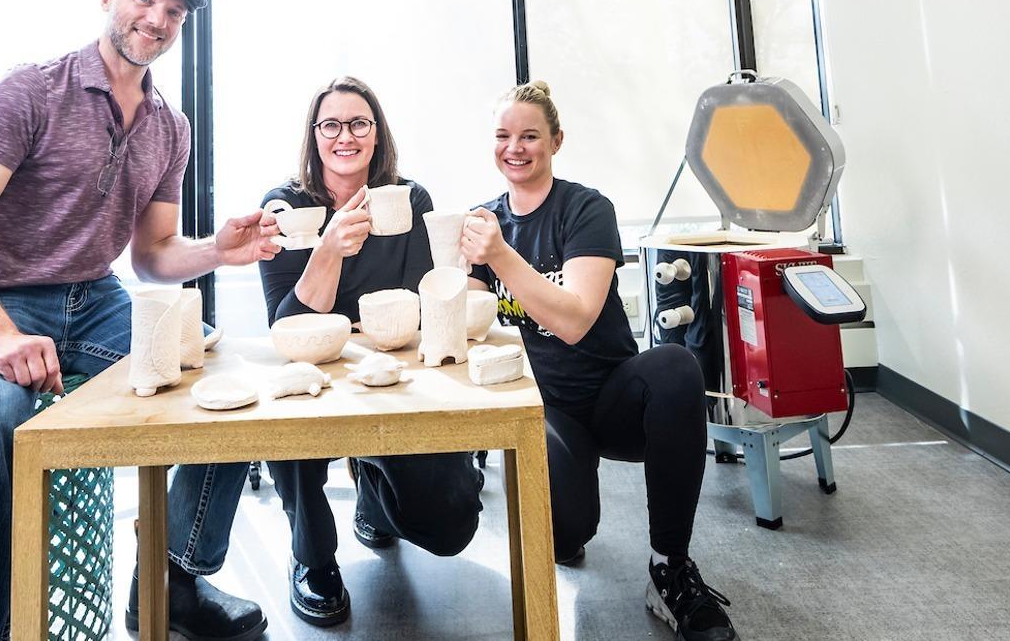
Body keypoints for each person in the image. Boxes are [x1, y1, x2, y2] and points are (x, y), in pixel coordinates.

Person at [0, 0, 276, 640]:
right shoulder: (28, 94)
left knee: (233, 387)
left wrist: (218, 252)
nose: (158, 21)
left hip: (96, 297)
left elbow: (153, 254)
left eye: (174, 14)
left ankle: (175, 582)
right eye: (146, 1)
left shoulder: (170, 126)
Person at [166, 76, 483, 628]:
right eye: (331, 124)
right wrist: (330, 248)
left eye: (359, 123)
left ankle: (374, 489)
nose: (346, 136)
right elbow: (288, 326)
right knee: (289, 409)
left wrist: (351, 319)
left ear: (377, 134)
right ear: (314, 136)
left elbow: (414, 303)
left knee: (452, 525)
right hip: (311, 372)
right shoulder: (287, 207)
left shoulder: (410, 200)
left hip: (393, 374)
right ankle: (312, 556)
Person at [461, 81, 739, 641]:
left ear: (556, 141)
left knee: (676, 366)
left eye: (530, 135)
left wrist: (498, 256)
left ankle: (670, 569)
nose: (515, 147)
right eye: (503, 136)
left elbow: (574, 320)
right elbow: (467, 320)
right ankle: (570, 514)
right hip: (545, 408)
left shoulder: (585, 208)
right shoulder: (482, 221)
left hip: (614, 396)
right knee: (567, 536)